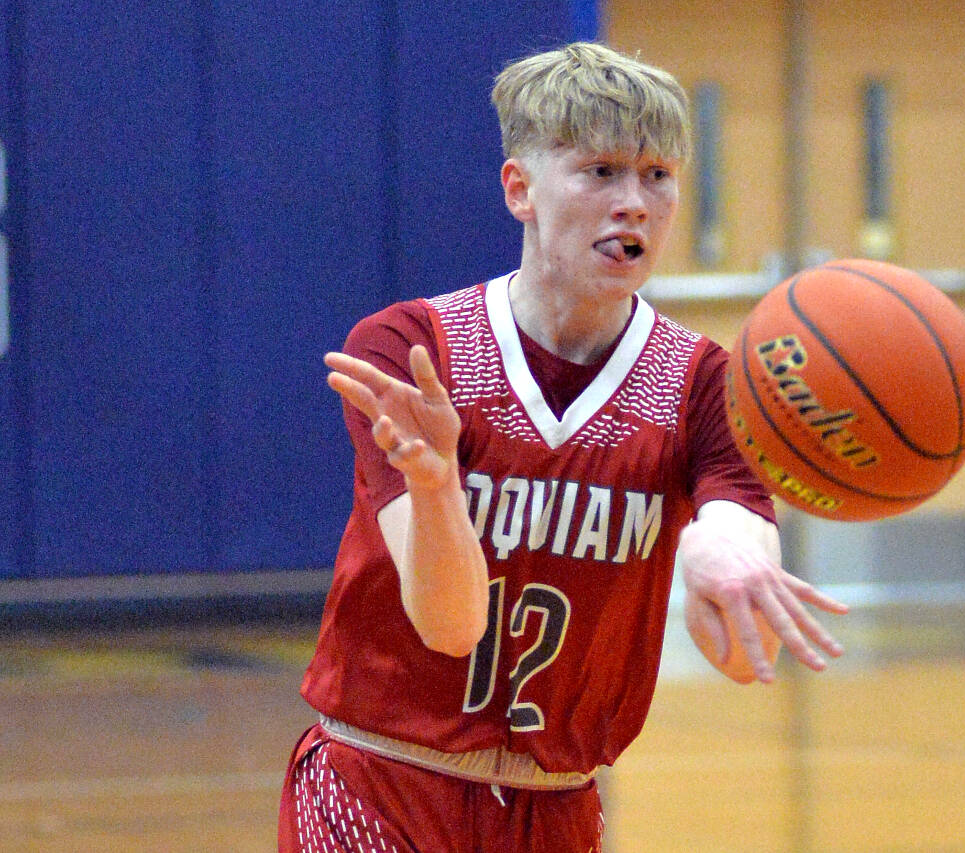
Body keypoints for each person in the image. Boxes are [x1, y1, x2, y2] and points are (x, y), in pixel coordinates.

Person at [279, 41, 848, 853]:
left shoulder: (703, 383)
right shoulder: (411, 351)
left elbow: (735, 514)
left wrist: (726, 550)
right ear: (521, 189)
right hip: (380, 782)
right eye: (601, 172)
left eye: (658, 176)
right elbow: (449, 625)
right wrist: (439, 489)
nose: (636, 203)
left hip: (557, 804)